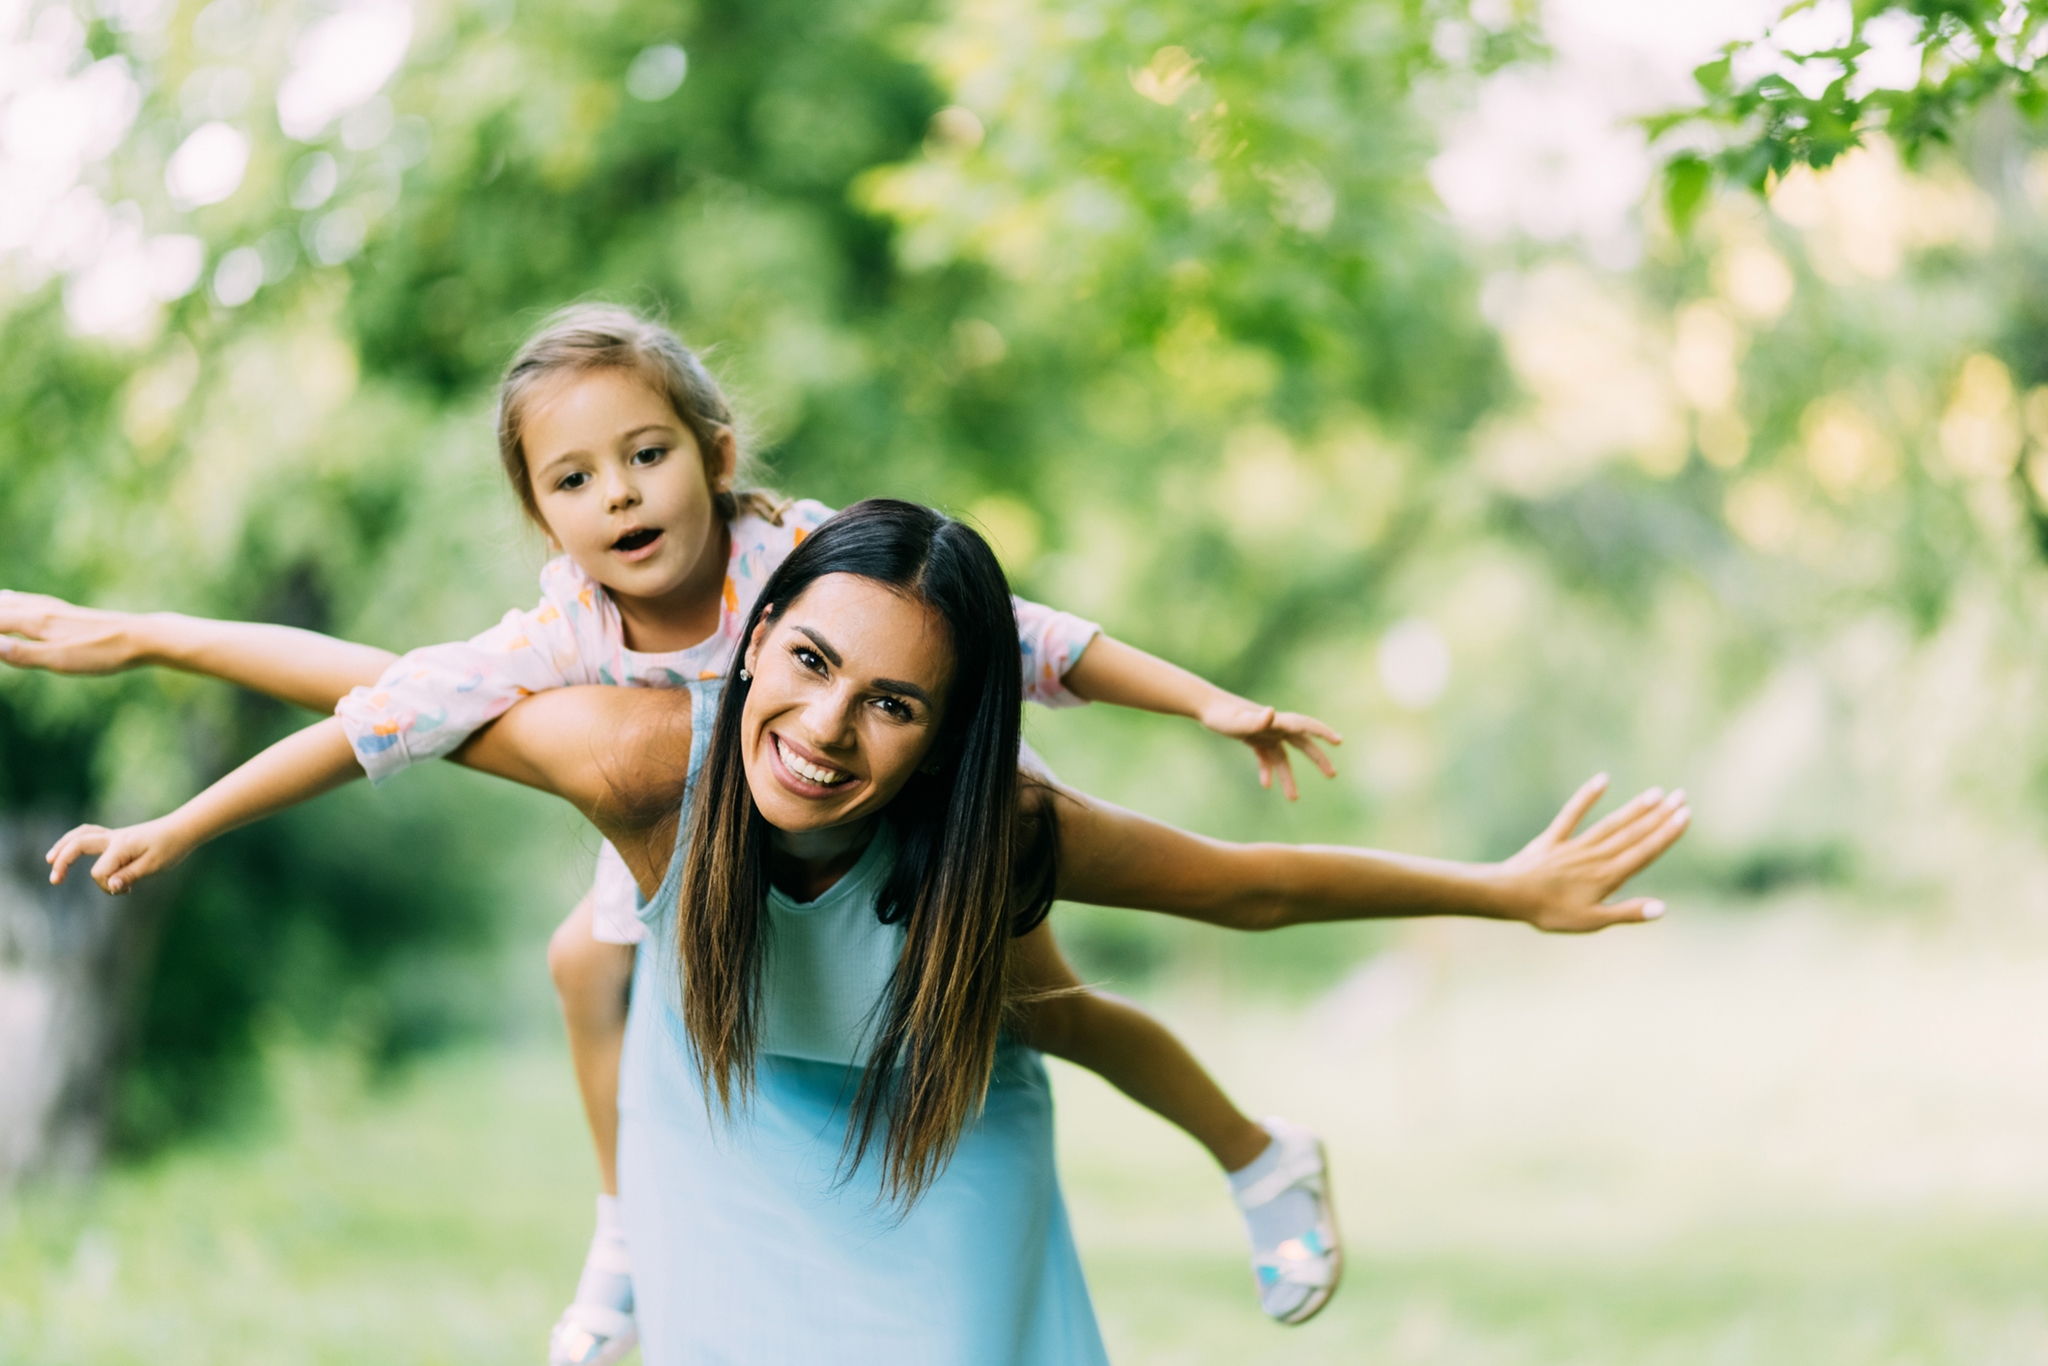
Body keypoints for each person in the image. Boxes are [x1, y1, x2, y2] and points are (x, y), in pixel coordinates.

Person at [1, 305, 1355, 1358]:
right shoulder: (561, 635)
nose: (621, 494)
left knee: (1053, 1011)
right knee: (581, 962)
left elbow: (1028, 638)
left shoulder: (801, 555)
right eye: (574, 477)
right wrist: (182, 815)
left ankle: (1255, 1151)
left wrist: (1206, 701)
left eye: (647, 454)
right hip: (710, 843)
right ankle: (622, 1228)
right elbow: (379, 712)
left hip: (911, 817)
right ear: (543, 515)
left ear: (715, 454)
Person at [47, 499, 1687, 1363]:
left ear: (954, 732)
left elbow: (1245, 884)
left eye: (896, 702)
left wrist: (1502, 890)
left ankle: (1262, 1156)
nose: (828, 729)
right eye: (811, 663)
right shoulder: (640, 760)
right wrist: (138, 637)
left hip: (941, 1146)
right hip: (731, 1142)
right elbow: (386, 688)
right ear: (755, 637)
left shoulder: (1006, 830)